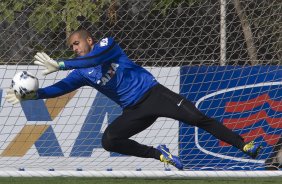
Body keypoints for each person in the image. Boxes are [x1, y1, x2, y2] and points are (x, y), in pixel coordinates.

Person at [6, 29, 262, 170]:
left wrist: (61, 63)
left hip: (154, 94)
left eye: (76, 43)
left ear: (89, 40)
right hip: (134, 110)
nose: (74, 48)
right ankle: (158, 154)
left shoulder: (107, 44)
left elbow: (93, 59)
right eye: (71, 46)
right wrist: (31, 95)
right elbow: (59, 89)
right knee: (109, 140)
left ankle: (244, 145)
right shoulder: (80, 72)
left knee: (197, 117)